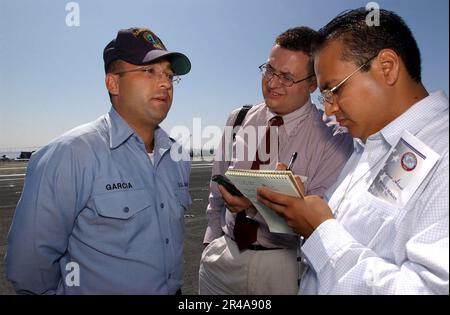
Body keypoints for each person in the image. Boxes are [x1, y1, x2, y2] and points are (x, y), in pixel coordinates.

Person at [257, 8, 449, 294]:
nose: (330, 109)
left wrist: (320, 233)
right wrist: (301, 208)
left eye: (334, 90)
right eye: (323, 97)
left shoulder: (442, 154)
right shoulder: (368, 146)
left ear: (387, 67)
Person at [5, 27, 192, 294]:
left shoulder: (178, 156)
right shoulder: (71, 154)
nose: (164, 83)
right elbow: (29, 268)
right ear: (113, 83)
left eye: (169, 75)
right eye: (149, 71)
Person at [199, 27, 354, 295]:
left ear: (312, 83)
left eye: (286, 77)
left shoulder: (334, 139)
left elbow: (321, 221)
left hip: (281, 268)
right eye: (269, 70)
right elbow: (216, 191)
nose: (272, 83)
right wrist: (211, 242)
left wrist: (255, 204)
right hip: (222, 260)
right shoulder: (238, 119)